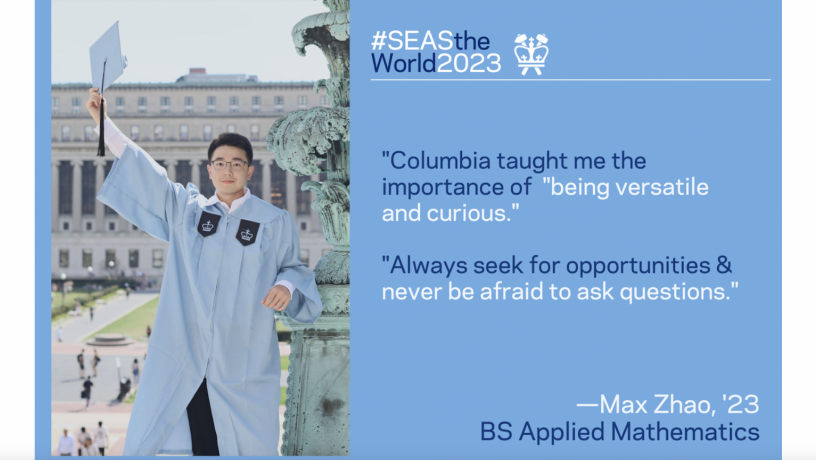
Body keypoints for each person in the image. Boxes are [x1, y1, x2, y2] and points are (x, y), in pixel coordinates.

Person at [87, 89, 323, 456]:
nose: (228, 170)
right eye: (220, 162)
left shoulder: (273, 221)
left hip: (241, 359)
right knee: (183, 439)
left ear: (250, 169)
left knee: (242, 443)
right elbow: (147, 172)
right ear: (209, 169)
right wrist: (105, 124)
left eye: (236, 163)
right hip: (185, 352)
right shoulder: (189, 213)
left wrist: (287, 285)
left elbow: (292, 267)